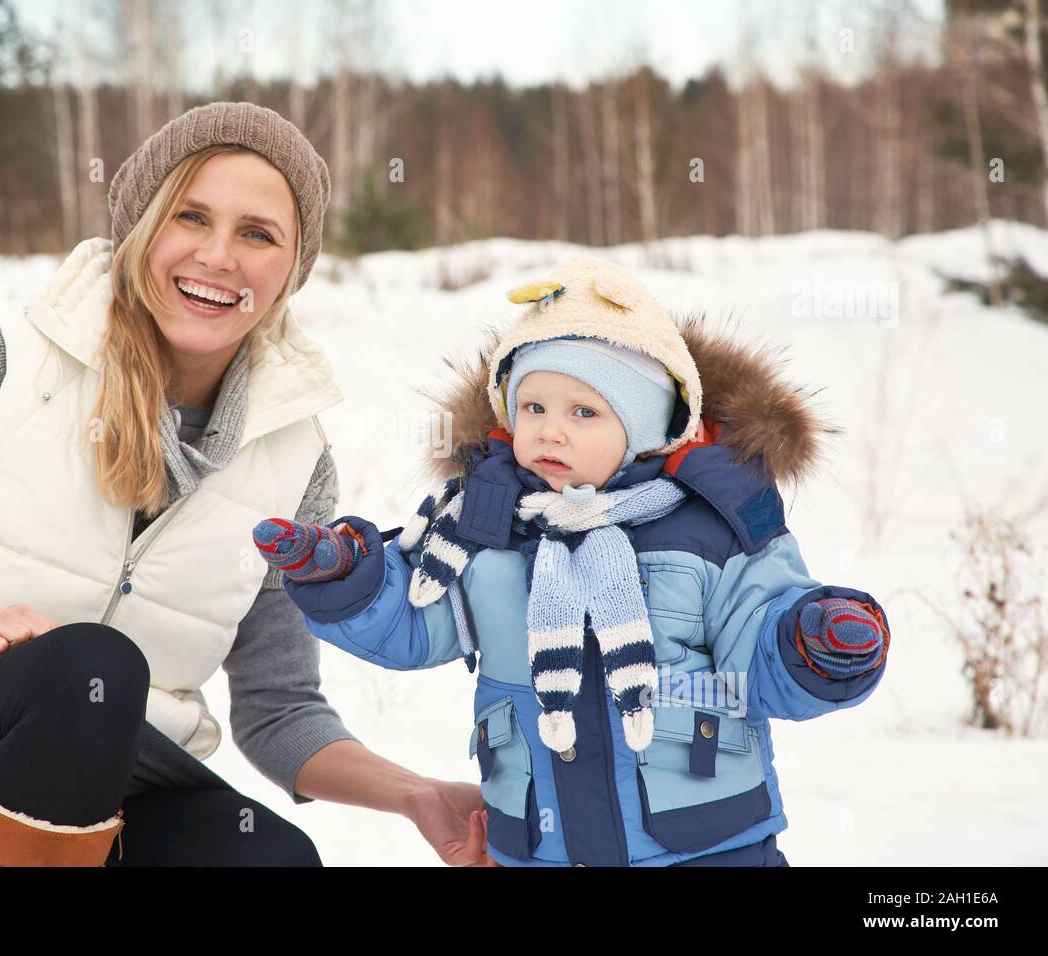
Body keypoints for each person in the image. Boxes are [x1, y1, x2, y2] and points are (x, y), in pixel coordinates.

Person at [0, 101, 489, 867]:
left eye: (258, 234)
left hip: (115, 799)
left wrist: (415, 795)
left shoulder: (294, 462)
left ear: (291, 271)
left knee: (269, 859)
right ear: (141, 227)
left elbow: (280, 710)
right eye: (190, 217)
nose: (219, 255)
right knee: (91, 666)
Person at [253, 256, 892, 867]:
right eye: (534, 407)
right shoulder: (482, 526)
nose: (550, 431)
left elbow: (758, 642)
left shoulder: (710, 525)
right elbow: (413, 621)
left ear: (646, 429)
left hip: (710, 843)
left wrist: (812, 641)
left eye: (584, 411)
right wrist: (343, 573)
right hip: (540, 844)